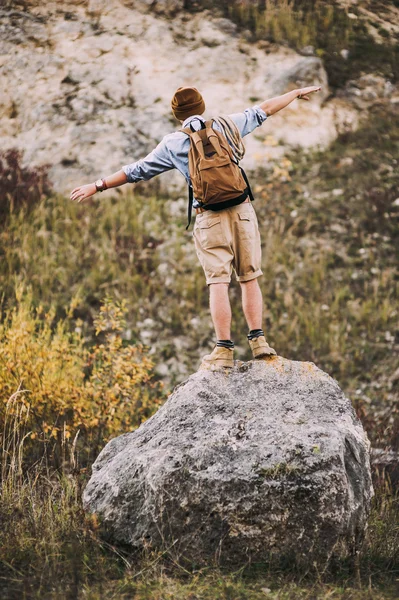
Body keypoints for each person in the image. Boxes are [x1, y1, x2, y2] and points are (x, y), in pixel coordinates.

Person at [70, 84, 321, 369]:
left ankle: (224, 350)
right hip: (241, 210)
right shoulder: (228, 125)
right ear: (201, 106)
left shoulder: (173, 143)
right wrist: (294, 93)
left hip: (209, 217)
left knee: (218, 282)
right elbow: (264, 109)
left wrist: (98, 185)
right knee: (249, 277)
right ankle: (259, 341)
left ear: (177, 115)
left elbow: (136, 171)